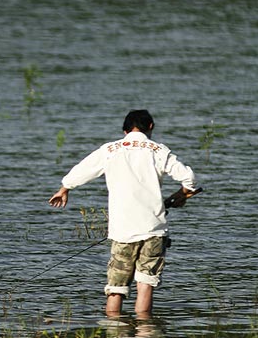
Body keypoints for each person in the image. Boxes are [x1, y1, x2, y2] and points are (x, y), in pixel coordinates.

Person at [48, 109, 198, 317]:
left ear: (124, 130)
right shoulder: (159, 150)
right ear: (151, 127)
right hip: (154, 229)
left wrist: (65, 188)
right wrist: (182, 194)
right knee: (146, 284)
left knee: (116, 287)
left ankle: (115, 336)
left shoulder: (110, 149)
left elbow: (83, 169)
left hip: (123, 231)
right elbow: (189, 178)